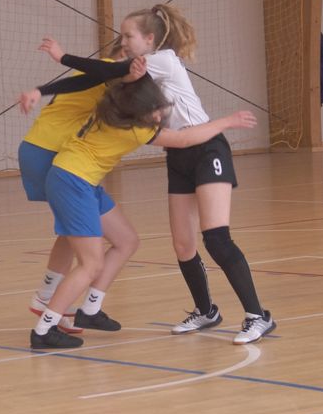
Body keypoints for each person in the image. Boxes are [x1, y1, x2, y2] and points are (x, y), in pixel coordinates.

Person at [40, 3, 276, 345]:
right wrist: (43, 91)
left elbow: (106, 69)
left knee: (216, 238)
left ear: (150, 39)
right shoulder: (135, 72)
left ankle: (258, 316)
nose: (123, 42)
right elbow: (97, 77)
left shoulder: (163, 59)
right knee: (182, 244)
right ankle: (206, 311)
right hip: (178, 152)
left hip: (206, 147)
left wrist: (63, 56)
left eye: (128, 36)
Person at [28, 75, 257, 349]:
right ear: (138, 110)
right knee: (91, 264)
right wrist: (228, 122)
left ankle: (90, 309)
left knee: (126, 241)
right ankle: (45, 328)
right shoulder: (135, 129)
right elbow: (184, 139)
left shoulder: (111, 110)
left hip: (79, 179)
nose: (160, 115)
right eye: (155, 110)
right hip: (73, 183)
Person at [17, 39, 136, 335]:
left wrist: (40, 90)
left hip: (45, 149)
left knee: (75, 230)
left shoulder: (102, 75)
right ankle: (49, 301)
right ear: (124, 54)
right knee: (78, 232)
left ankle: (55, 298)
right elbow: (83, 78)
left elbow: (77, 83)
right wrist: (56, 66)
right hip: (49, 151)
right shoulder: (109, 69)